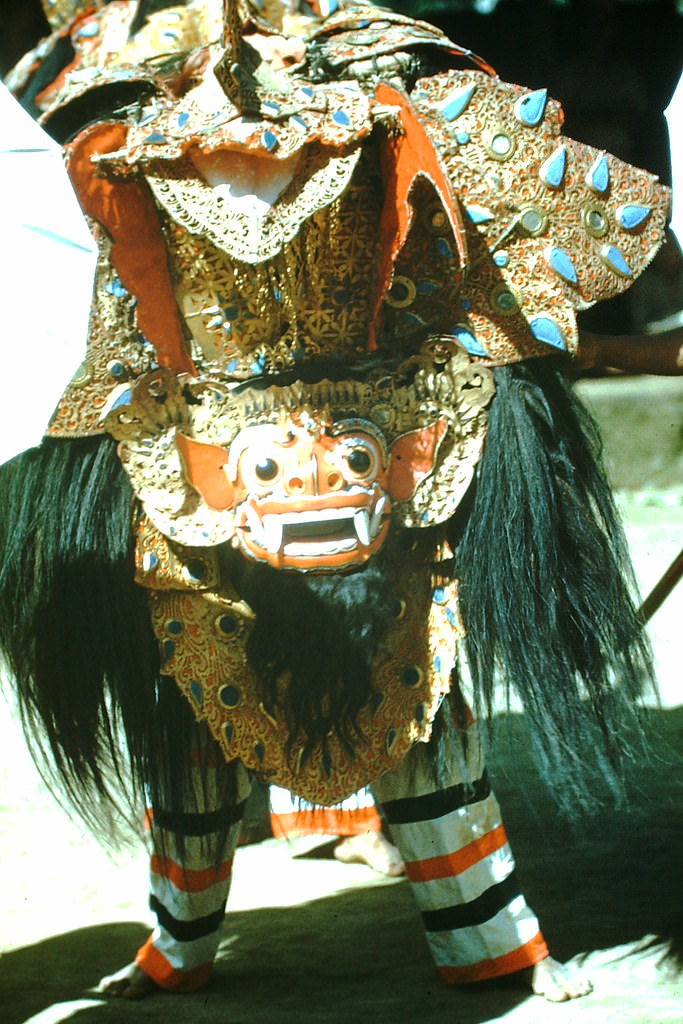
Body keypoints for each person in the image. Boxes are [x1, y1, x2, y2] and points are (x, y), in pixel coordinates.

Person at [0, 0, 669, 1007]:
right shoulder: (113, 92)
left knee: (411, 688)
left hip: (379, 439)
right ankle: (178, 938)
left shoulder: (393, 67)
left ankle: (492, 941)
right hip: (195, 459)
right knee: (191, 701)